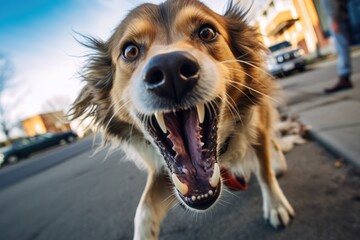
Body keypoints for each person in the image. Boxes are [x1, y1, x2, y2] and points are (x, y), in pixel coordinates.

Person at [320, 0, 353, 93]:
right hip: (339, 15)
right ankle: (344, 77)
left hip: (336, 17)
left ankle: (344, 77)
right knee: (342, 47)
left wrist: (334, 19)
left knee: (341, 48)